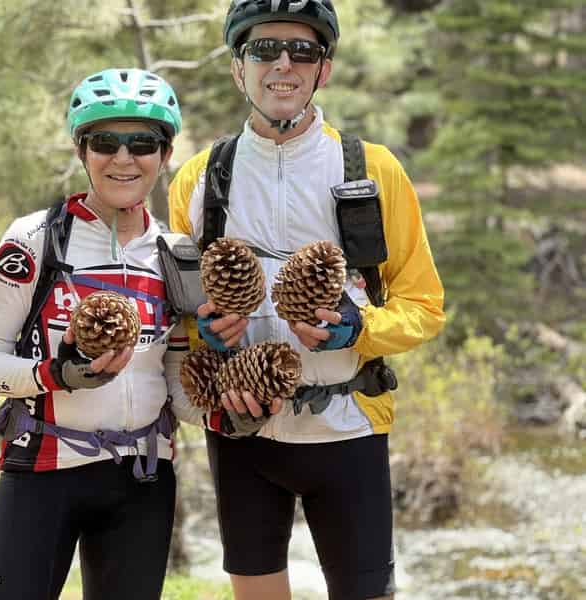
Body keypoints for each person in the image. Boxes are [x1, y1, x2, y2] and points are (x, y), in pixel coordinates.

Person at [167, 1, 446, 599]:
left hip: (348, 426)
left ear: (325, 68)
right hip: (244, 432)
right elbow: (181, 314)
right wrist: (205, 336)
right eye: (264, 49)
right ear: (238, 68)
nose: (283, 64)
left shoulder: (372, 171)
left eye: (303, 50)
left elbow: (424, 305)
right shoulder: (198, 178)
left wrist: (360, 329)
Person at [0, 68, 196, 600]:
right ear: (80, 150)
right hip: (43, 472)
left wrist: (228, 409)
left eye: (142, 143)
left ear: (164, 154)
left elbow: (178, 388)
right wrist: (56, 374)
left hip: (141, 480)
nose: (123, 158)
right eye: (104, 142)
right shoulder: (35, 238)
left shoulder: (178, 255)